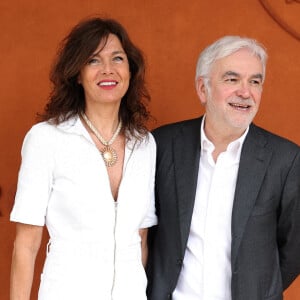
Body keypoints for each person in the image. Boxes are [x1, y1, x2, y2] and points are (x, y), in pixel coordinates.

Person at [10, 17, 157, 300]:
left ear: (130, 69)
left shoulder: (144, 144)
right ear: (77, 73)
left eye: (117, 58)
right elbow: (26, 245)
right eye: (93, 60)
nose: (108, 70)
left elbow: (140, 240)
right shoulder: (46, 139)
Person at [146, 36, 300, 300]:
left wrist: (258, 289)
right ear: (202, 89)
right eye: (232, 79)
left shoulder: (286, 158)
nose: (245, 91)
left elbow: (294, 249)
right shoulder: (162, 145)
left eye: (255, 81)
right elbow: (144, 231)